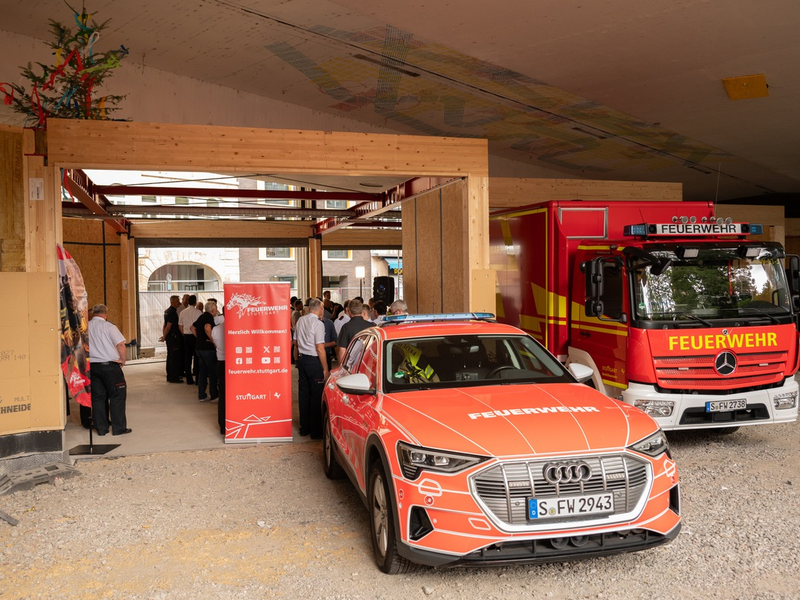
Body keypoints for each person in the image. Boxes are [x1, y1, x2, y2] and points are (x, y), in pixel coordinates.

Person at [88, 304, 131, 436]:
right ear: (105, 314)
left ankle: (101, 428)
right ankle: (119, 428)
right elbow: (120, 344)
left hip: (93, 367)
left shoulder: (85, 327)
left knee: (98, 398)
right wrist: (123, 359)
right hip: (109, 366)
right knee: (117, 396)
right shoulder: (109, 326)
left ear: (93, 314)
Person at [293, 298, 328, 438]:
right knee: (316, 395)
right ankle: (315, 431)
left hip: (302, 360)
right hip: (314, 362)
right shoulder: (318, 324)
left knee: (304, 394)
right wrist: (325, 368)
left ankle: (304, 428)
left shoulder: (301, 320)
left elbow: (295, 342)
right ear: (319, 309)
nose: (322, 311)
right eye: (322, 309)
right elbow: (320, 348)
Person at [192, 301, 218, 402]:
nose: (216, 311)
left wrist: (199, 338)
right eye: (216, 309)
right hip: (208, 349)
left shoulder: (201, 316)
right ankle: (214, 395)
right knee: (212, 372)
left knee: (202, 371)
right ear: (212, 310)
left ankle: (201, 395)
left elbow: (192, 327)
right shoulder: (209, 317)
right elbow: (207, 328)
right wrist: (213, 340)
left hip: (199, 348)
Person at [336, 298, 373, 363]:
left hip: (352, 365)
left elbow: (342, 350)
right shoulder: (372, 326)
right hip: (368, 363)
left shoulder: (346, 327)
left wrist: (342, 368)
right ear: (361, 311)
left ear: (349, 311)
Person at [178, 294, 201, 385]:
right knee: (197, 358)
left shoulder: (182, 312)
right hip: (195, 336)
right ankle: (198, 379)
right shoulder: (198, 312)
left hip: (186, 336)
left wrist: (184, 334)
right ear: (195, 302)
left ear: (188, 302)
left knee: (187, 358)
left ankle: (189, 379)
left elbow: (180, 326)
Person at [160, 295, 183, 383]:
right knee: (174, 357)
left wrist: (164, 335)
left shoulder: (167, 311)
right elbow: (169, 326)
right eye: (177, 301)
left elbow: (164, 325)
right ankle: (174, 377)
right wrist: (164, 336)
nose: (179, 303)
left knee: (170, 356)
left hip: (170, 337)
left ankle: (170, 375)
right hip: (173, 337)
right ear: (172, 302)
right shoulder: (172, 312)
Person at [211, 307, 226, 436]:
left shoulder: (216, 329)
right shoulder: (239, 329)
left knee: (223, 394)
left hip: (221, 362)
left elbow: (216, 345)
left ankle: (223, 426)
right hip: (236, 365)